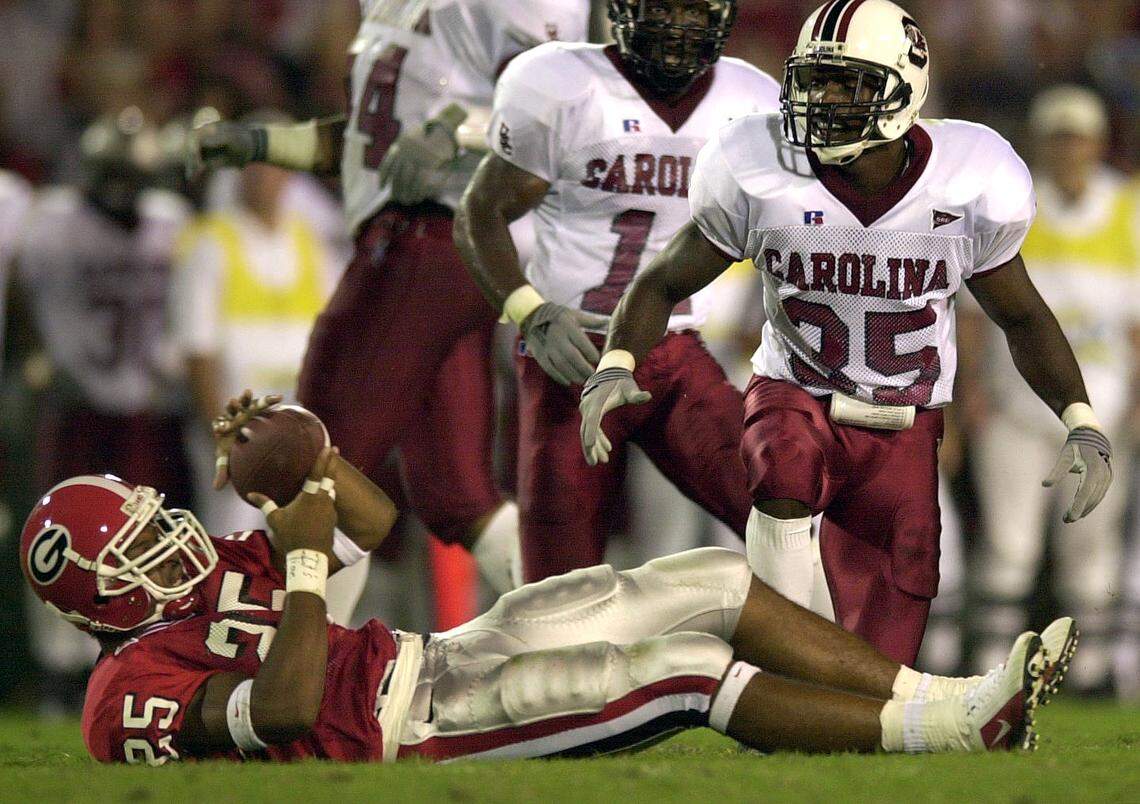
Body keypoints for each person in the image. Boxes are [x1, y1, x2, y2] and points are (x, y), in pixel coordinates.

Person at [21, 395, 1076, 765]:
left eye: (156, 524)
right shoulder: (126, 697)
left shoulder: (209, 583)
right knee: (680, 671)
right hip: (409, 733)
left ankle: (958, 700)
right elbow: (286, 704)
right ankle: (954, 733)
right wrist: (299, 556)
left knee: (703, 578)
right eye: (140, 549)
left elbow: (375, 530)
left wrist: (310, 458)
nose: (171, 542)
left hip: (427, 659)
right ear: (101, 600)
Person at [578, 0, 1112, 666]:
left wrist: (1080, 417)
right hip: (795, 396)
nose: (820, 99)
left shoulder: (969, 178)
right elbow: (660, 280)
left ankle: (846, 691)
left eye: (846, 82)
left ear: (902, 86)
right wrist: (617, 359)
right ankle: (782, 653)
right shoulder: (758, 161)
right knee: (783, 464)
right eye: (813, 80)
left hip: (903, 422)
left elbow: (1023, 315)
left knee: (882, 649)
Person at [185, 0, 593, 595]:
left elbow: (557, 115)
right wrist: (259, 144)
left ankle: (310, 669)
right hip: (426, 241)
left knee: (317, 458)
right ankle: (577, 643)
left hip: (433, 236)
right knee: (459, 496)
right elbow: (369, 147)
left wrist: (453, 134)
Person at [454, 0, 779, 581]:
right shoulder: (566, 86)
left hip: (675, 350)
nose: (678, 27)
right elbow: (479, 213)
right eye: (664, 8)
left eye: (695, 10)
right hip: (569, 354)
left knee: (778, 517)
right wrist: (531, 313)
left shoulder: (751, 103)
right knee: (557, 584)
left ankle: (788, 667)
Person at [959, 85, 1139, 693]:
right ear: (1042, 142)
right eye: (1059, 138)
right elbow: (973, 317)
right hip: (1016, 405)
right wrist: (970, 399)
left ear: (1097, 143)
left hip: (1104, 412)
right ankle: (993, 672)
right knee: (1009, 547)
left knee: (1091, 551)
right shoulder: (1014, 203)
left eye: (1079, 137)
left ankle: (1085, 678)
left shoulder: (1129, 209)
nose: (1069, 150)